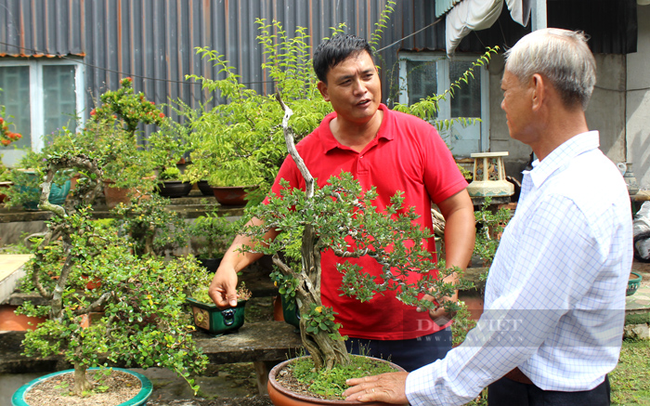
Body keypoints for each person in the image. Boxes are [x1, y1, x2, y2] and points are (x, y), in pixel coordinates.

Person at [344, 28, 633, 405]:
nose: (501, 104)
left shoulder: (570, 196)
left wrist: (417, 387)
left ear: (537, 90)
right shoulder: (575, 176)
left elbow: (518, 327)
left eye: (505, 90)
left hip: (545, 396)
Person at [208, 34, 476, 371]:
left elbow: (459, 208)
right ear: (324, 91)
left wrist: (449, 280)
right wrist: (229, 264)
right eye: (346, 81)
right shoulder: (306, 153)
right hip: (338, 331)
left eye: (367, 76)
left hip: (419, 321)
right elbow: (269, 220)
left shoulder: (418, 135)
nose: (361, 89)